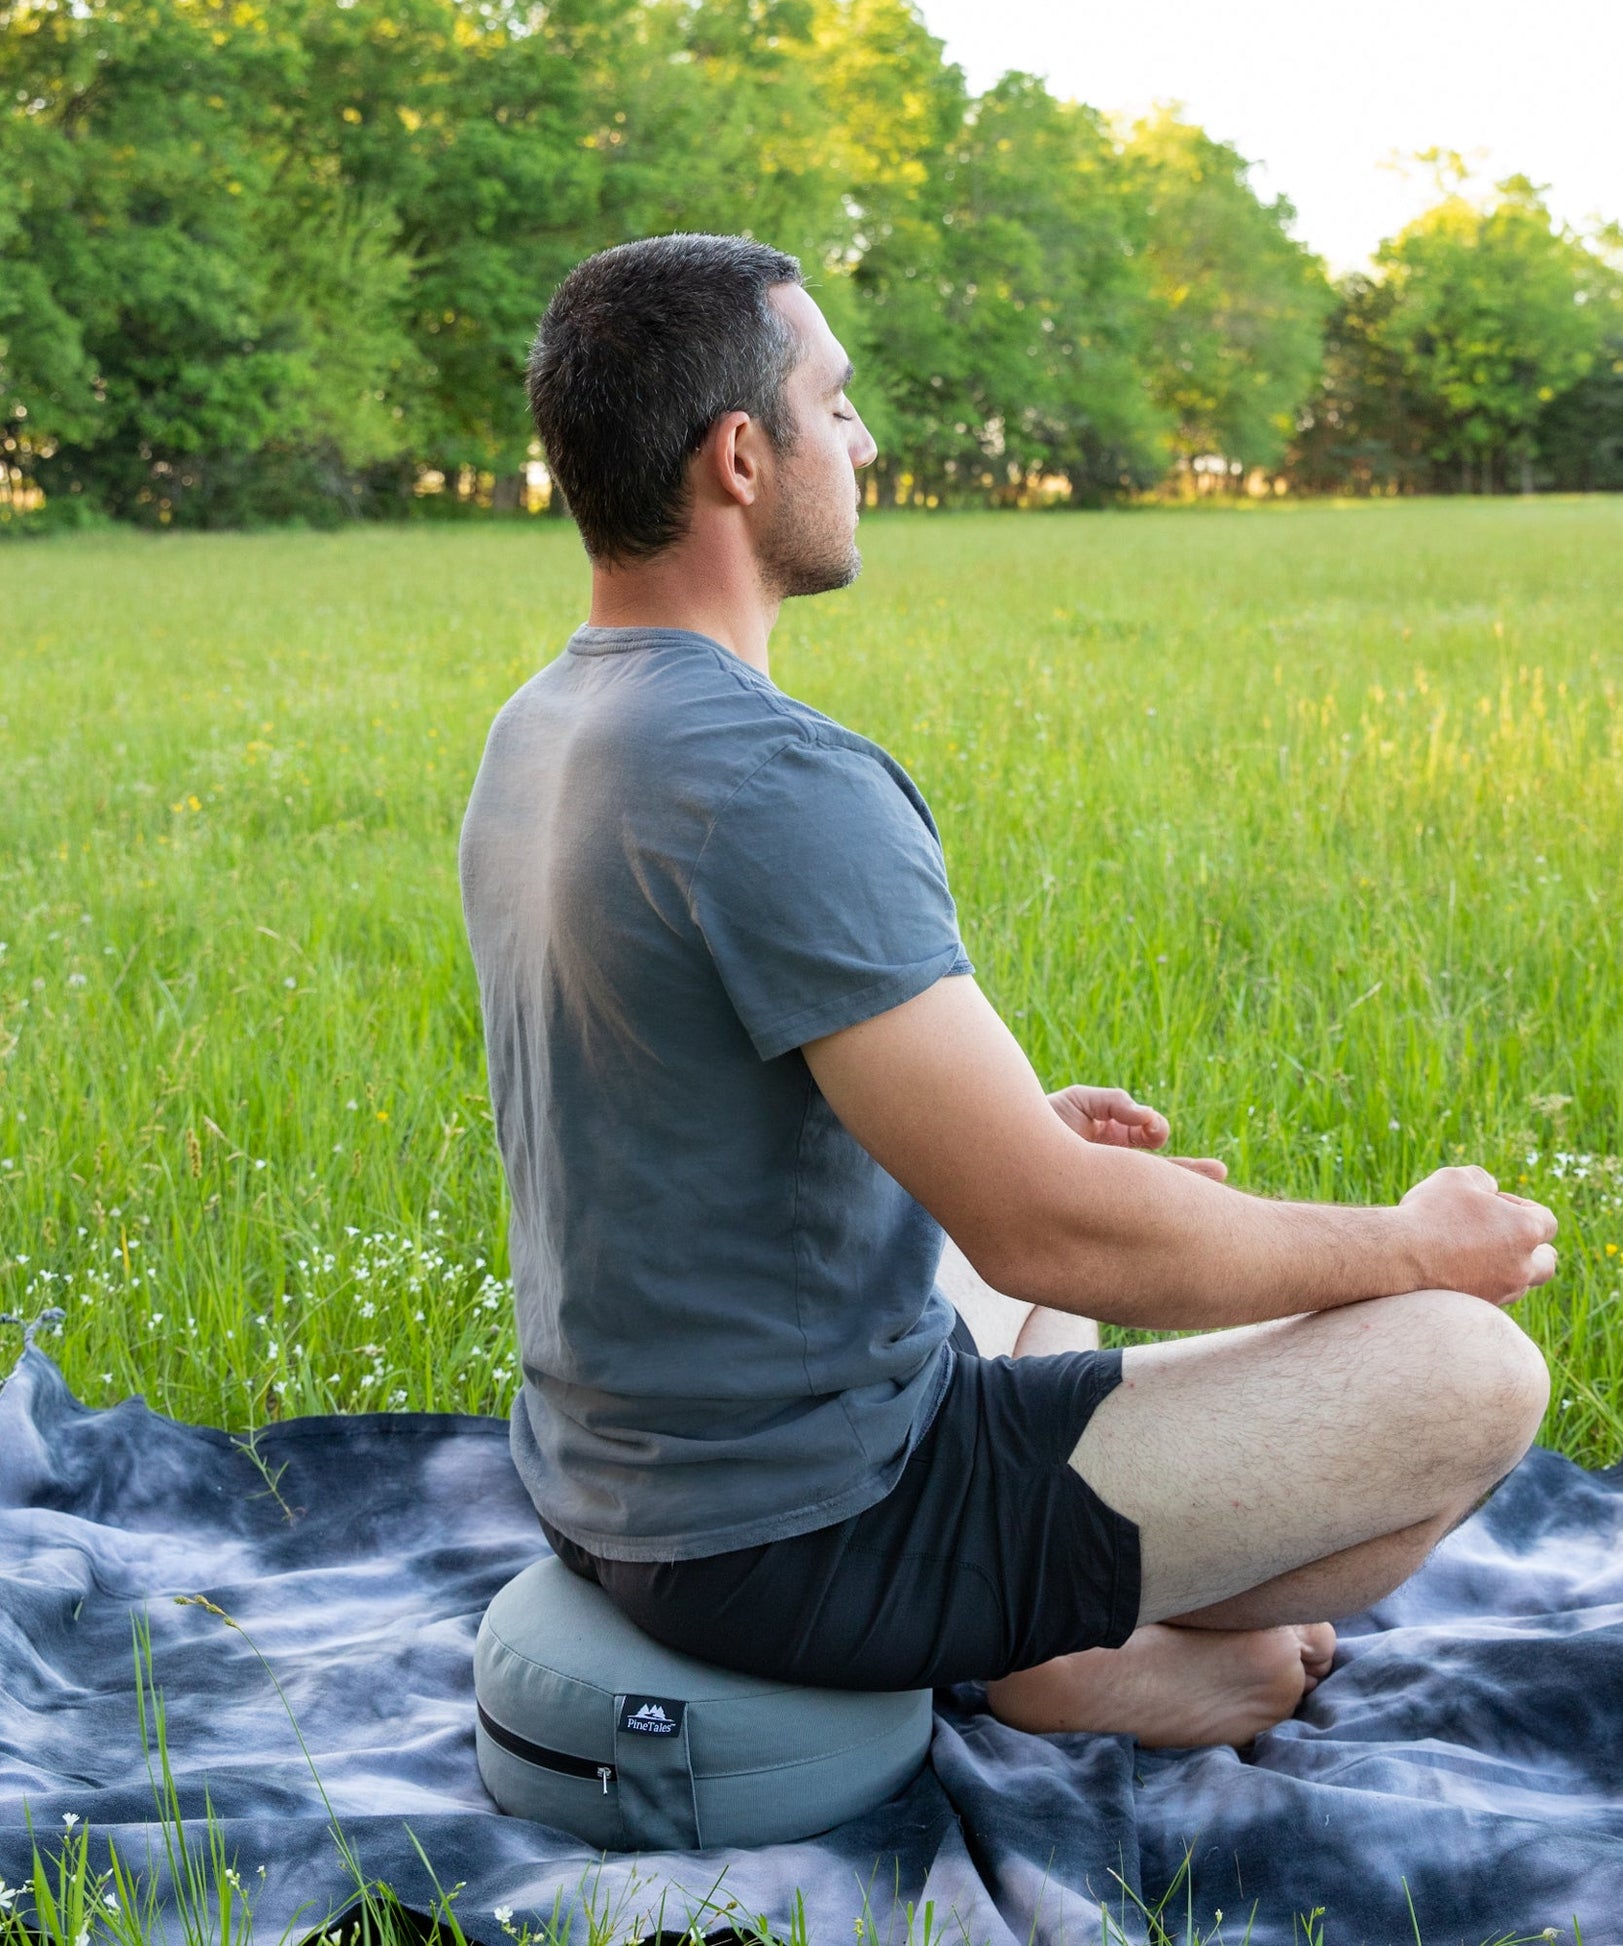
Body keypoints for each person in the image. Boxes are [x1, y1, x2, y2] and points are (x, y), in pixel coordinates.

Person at [458, 233, 1557, 1751]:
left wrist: (1006, 1131)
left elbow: (664, 1109)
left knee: (1027, 1218)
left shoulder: (545, 725)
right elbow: (1049, 1229)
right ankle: (1041, 1652)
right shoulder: (776, 780)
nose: (863, 442)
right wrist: (1411, 1247)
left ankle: (1048, 1627)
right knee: (1469, 1371)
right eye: (835, 404)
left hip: (607, 1487)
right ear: (740, 457)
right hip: (803, 1534)